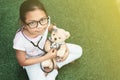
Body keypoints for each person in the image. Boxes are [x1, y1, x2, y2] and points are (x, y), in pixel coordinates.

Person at [13, 0, 82, 80]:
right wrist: (46, 57)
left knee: (79, 51)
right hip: (32, 60)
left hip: (49, 50)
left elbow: (53, 29)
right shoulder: (20, 40)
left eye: (42, 20)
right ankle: (54, 68)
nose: (40, 27)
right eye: (32, 23)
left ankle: (54, 65)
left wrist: (64, 48)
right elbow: (22, 62)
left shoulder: (45, 24)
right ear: (23, 24)